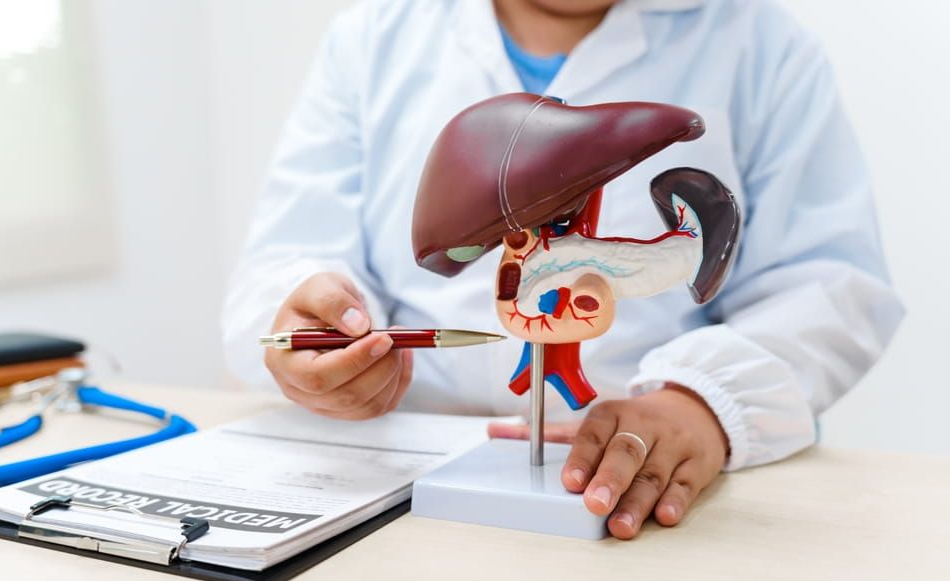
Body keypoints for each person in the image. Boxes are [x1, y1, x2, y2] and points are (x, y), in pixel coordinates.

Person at [222, 0, 904, 539]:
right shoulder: (372, 37)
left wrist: (699, 401)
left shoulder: (762, 45)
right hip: (402, 478)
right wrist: (315, 329)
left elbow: (829, 286)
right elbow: (292, 252)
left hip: (645, 493)